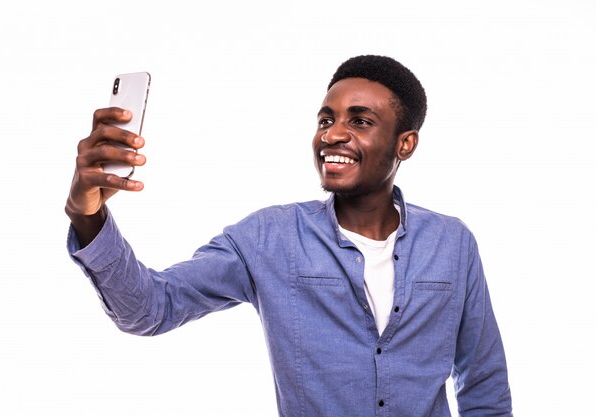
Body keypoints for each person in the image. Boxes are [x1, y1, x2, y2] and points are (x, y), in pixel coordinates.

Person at [66, 55, 512, 416]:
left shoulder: (453, 243)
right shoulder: (268, 239)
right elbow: (150, 308)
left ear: (405, 144)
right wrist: (88, 216)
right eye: (326, 120)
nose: (333, 134)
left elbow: (483, 385)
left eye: (360, 121)